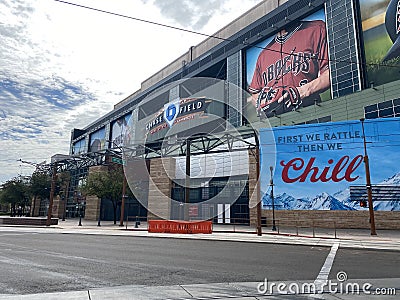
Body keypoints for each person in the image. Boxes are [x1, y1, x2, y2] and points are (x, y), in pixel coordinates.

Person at [248, 20, 330, 117]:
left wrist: (303, 91)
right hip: (276, 121)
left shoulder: (315, 28)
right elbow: (255, 94)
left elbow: (332, 72)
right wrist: (266, 102)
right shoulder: (263, 55)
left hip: (310, 114)